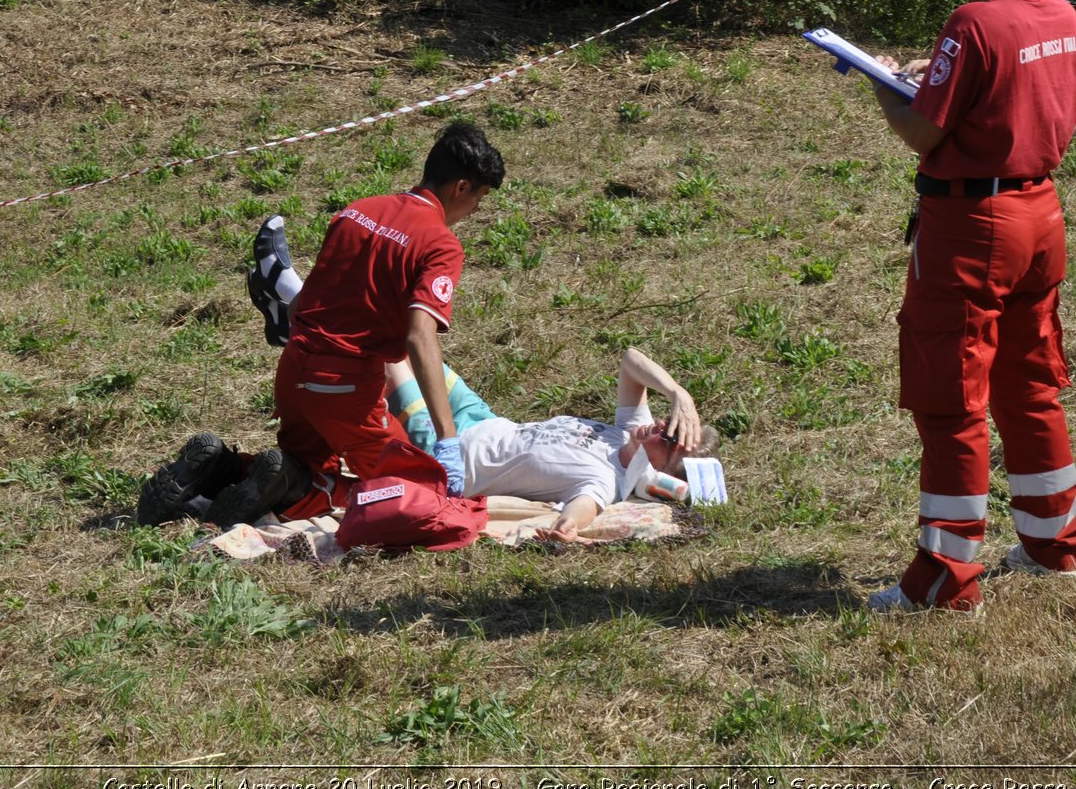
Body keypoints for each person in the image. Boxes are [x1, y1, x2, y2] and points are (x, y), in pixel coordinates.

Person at [865, 0, 1076, 613]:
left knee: (950, 395)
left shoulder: (975, 23)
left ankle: (944, 577)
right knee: (1029, 383)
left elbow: (926, 131)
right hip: (1041, 214)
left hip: (971, 226)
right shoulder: (1062, 12)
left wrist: (882, 88)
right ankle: (1053, 542)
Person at [135, 121, 505, 529]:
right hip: (344, 386)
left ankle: (219, 469)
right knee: (423, 490)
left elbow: (306, 304)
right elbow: (421, 337)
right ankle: (307, 494)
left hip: (295, 367)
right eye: (480, 199)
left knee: (301, 464)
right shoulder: (440, 244)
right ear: (462, 187)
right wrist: (447, 439)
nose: (475, 212)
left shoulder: (358, 210)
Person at [382, 346, 717, 541]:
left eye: (670, 436)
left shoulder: (605, 480)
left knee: (388, 354)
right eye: (669, 420)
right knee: (410, 341)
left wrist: (568, 526)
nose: (661, 424)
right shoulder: (629, 431)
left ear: (660, 470)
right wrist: (678, 394)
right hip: (482, 419)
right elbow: (631, 359)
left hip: (449, 453)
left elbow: (584, 508)